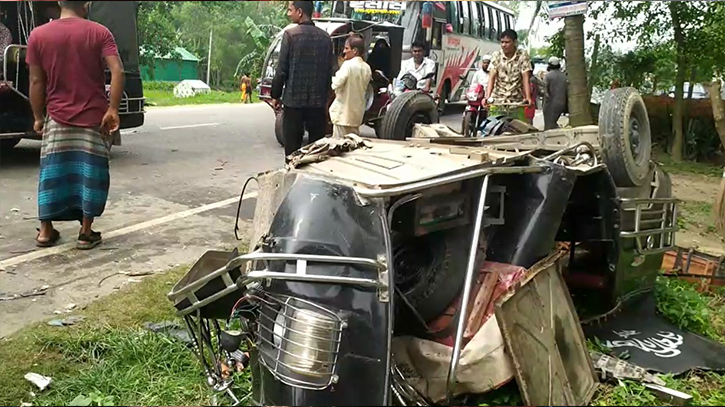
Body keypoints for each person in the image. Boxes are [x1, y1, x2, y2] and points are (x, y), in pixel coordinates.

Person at [26, 0, 124, 249]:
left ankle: (46, 231)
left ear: (59, 1)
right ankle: (85, 232)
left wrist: (38, 117)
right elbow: (117, 71)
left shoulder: (38, 35)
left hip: (57, 116)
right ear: (87, 3)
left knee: (52, 172)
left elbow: (36, 82)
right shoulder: (100, 32)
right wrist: (112, 109)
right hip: (94, 118)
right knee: (90, 173)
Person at [271, 1, 334, 158]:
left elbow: (281, 70)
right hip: (317, 104)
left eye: (290, 10)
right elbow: (329, 72)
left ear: (299, 12)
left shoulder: (290, 35)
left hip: (293, 103)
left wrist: (275, 95)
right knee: (316, 152)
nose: (288, 13)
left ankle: (293, 178)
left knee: (292, 151)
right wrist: (326, 100)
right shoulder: (326, 38)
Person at [485, 29, 533, 122]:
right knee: (491, 129)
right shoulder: (496, 55)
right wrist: (487, 97)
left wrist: (528, 97)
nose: (504, 45)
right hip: (498, 100)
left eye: (507, 42)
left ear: (514, 42)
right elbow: (491, 78)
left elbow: (525, 77)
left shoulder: (522, 55)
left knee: (520, 130)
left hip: (516, 101)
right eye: (502, 42)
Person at [329, 36, 371, 138]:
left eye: (347, 48)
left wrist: (332, 78)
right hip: (356, 116)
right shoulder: (367, 68)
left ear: (355, 51)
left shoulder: (348, 65)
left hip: (342, 114)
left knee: (339, 146)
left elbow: (336, 84)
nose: (344, 51)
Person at [543, 56, 568, 130]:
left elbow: (546, 92)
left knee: (548, 126)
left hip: (550, 105)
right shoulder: (564, 76)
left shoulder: (548, 76)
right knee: (553, 123)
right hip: (562, 104)